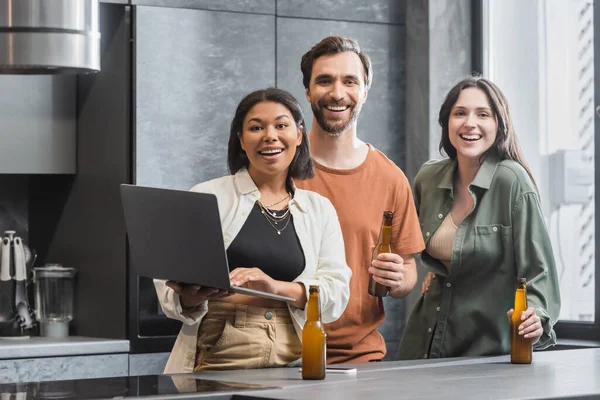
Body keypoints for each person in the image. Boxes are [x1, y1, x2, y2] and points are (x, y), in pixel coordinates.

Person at [154, 88, 352, 374]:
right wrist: (190, 298)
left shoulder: (320, 209)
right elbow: (168, 287)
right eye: (256, 127)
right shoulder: (206, 196)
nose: (269, 135)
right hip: (224, 346)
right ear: (241, 140)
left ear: (299, 135)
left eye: (281, 125)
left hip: (297, 349)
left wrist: (275, 288)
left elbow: (337, 293)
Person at [397, 76, 561, 360]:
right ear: (446, 122)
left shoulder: (513, 181)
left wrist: (537, 317)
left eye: (483, 114)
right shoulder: (427, 178)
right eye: (459, 113)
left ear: (499, 125)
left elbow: (539, 271)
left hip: (487, 354)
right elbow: (421, 253)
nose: (469, 123)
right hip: (423, 345)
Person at [295, 36, 425, 364]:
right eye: (324, 80)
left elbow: (409, 268)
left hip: (361, 359)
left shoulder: (391, 178)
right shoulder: (279, 168)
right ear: (308, 91)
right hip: (284, 356)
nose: (337, 93)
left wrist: (400, 278)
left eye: (349, 81)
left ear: (364, 91)